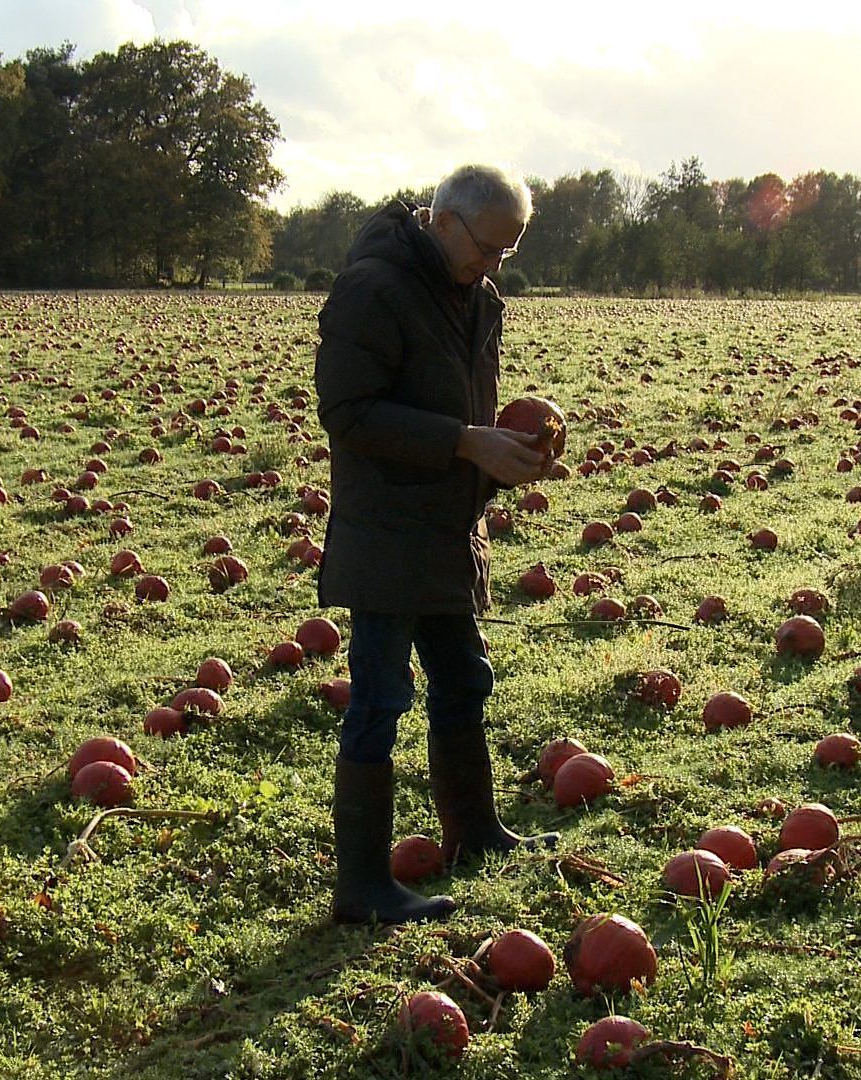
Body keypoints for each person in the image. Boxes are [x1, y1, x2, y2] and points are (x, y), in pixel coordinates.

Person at [314, 164, 559, 924]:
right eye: (488, 247)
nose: (494, 266)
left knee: (465, 679)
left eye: (507, 254)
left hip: (449, 525)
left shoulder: (477, 296)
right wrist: (465, 444)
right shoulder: (372, 289)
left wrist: (508, 449)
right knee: (381, 701)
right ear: (444, 221)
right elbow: (348, 414)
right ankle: (361, 888)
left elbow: (464, 406)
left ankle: (474, 833)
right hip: (386, 529)